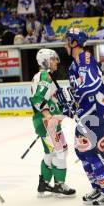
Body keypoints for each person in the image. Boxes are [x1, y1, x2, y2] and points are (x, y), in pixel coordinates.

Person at [58, 27, 104, 206]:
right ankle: (98, 186)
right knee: (82, 151)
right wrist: (69, 106)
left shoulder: (85, 58)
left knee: (91, 152)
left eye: (67, 40)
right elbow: (78, 95)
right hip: (86, 112)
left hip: (96, 111)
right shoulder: (72, 66)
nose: (65, 44)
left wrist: (75, 96)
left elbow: (92, 84)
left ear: (75, 42)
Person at [29, 49, 76, 197]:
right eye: (54, 59)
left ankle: (43, 184)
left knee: (50, 152)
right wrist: (48, 116)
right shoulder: (45, 76)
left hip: (41, 122)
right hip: (47, 122)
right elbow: (37, 98)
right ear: (46, 61)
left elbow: (49, 99)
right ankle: (59, 185)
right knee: (61, 150)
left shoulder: (44, 76)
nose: (57, 61)